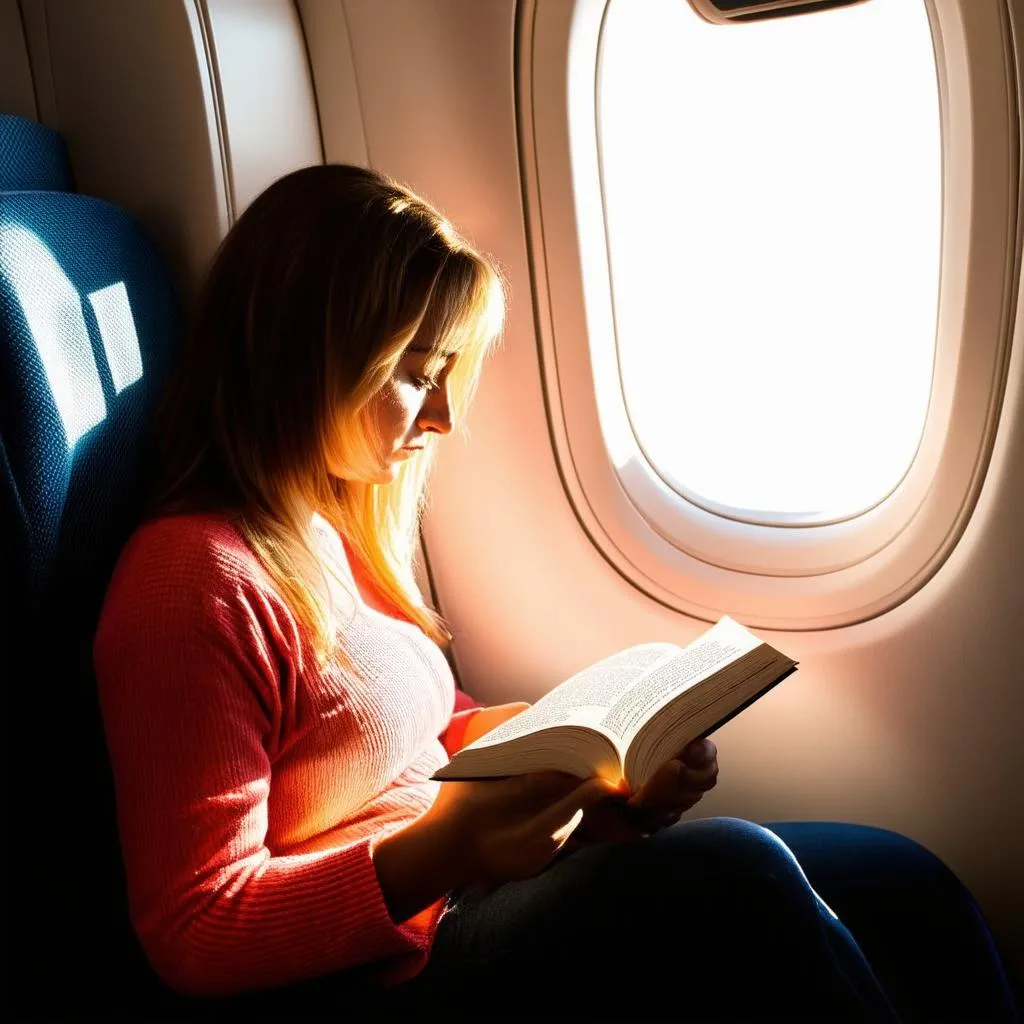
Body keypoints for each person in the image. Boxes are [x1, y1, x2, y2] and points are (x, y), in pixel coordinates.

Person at [93, 164, 1018, 1023]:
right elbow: (196, 930)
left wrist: (594, 763)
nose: (444, 417)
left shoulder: (332, 527)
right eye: (418, 375)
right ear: (311, 354)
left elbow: (406, 738)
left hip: (464, 885)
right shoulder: (191, 584)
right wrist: (449, 846)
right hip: (395, 961)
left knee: (905, 882)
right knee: (736, 876)